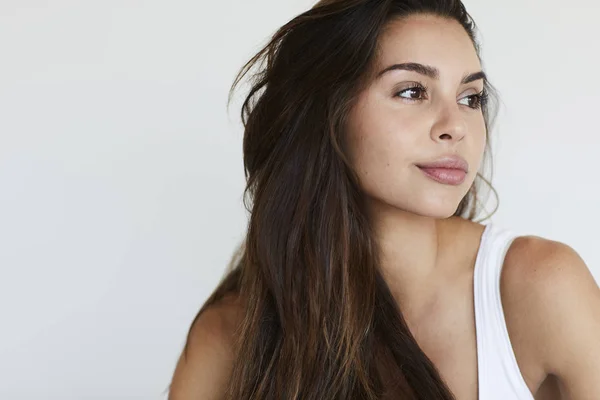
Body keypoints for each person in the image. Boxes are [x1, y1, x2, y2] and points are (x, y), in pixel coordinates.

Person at [168, 0, 600, 399]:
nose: (456, 126)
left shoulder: (540, 287)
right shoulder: (232, 335)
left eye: (470, 98)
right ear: (327, 114)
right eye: (412, 91)